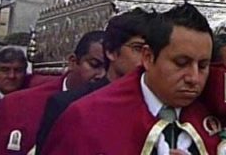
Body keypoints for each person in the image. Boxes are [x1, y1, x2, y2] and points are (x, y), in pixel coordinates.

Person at [42, 3, 226, 155]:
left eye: (203, 65)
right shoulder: (88, 117)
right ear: (148, 57)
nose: (194, 78)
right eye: (181, 63)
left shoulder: (221, 119)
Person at [0, 31, 105, 155]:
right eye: (94, 65)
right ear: (73, 62)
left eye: (110, 69)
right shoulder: (18, 105)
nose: (102, 75)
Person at [36, 9, 152, 152]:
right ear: (110, 51)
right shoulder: (67, 104)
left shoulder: (157, 105)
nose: (147, 57)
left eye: (153, 50)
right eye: (138, 48)